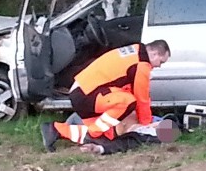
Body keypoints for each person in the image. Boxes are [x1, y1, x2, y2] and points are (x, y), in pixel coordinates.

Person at [40, 40, 171, 154]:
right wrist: (146, 125)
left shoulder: (133, 52)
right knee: (126, 102)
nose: (159, 66)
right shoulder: (142, 65)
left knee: (106, 136)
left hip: (84, 93)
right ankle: (93, 133)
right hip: (88, 94)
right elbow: (142, 98)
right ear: (154, 54)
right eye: (161, 61)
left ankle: (55, 129)